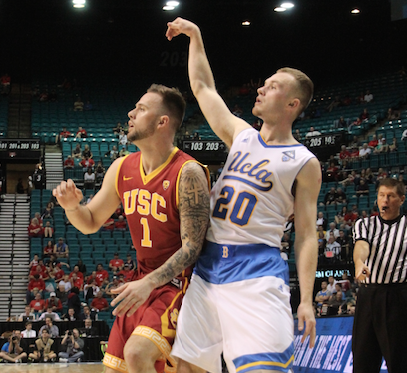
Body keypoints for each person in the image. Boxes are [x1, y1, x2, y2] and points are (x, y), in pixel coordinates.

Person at [166, 18, 320, 373]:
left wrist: (307, 300)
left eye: (273, 86)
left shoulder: (304, 162)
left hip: (256, 271)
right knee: (188, 367)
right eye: (263, 84)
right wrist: (196, 36)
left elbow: (308, 233)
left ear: (293, 104)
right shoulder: (241, 135)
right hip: (207, 268)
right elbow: (203, 87)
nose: (262, 89)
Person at [52, 83, 210, 373]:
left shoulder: (188, 172)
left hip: (180, 282)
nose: (130, 113)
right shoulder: (121, 167)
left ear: (163, 121)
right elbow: (89, 222)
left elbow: (193, 248)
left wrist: (150, 282)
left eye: (141, 109)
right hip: (140, 280)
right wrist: (73, 206)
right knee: (115, 368)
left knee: (137, 353)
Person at [352, 178, 407, 372]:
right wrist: (359, 262)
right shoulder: (364, 224)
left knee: (399, 359)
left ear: (401, 199)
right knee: (363, 359)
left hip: (398, 296)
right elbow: (362, 245)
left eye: (390, 196)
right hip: (368, 295)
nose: (385, 200)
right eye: (382, 195)